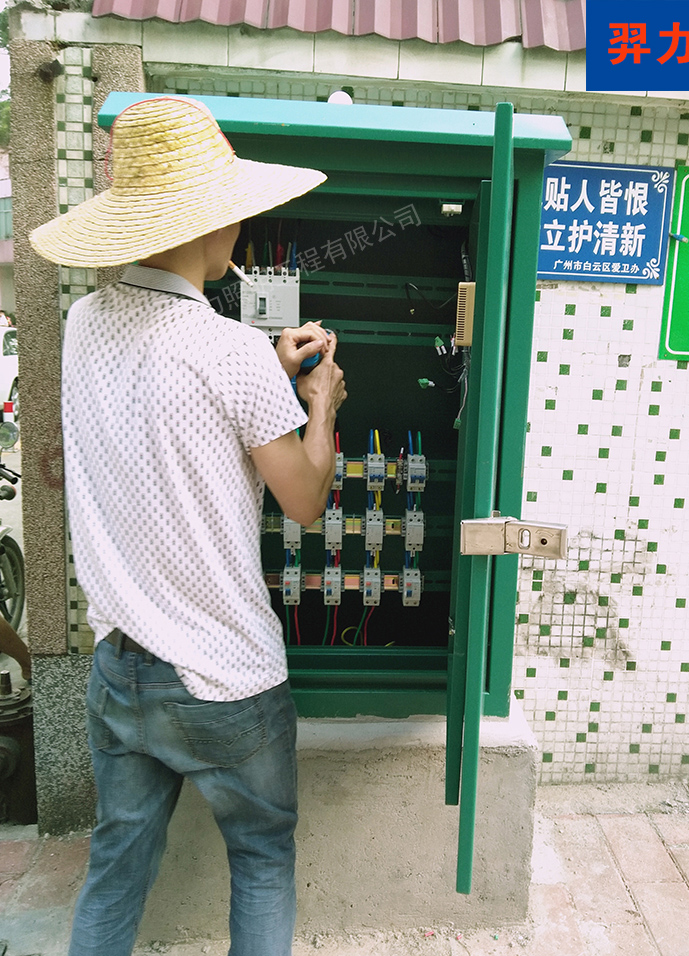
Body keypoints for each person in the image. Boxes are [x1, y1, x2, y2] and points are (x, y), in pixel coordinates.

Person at [29, 96, 346, 956]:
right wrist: (316, 403)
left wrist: (263, 371)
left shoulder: (82, 322)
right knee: (263, 858)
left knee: (118, 860)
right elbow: (305, 500)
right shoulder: (229, 352)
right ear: (210, 225)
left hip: (120, 671)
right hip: (225, 680)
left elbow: (164, 407)